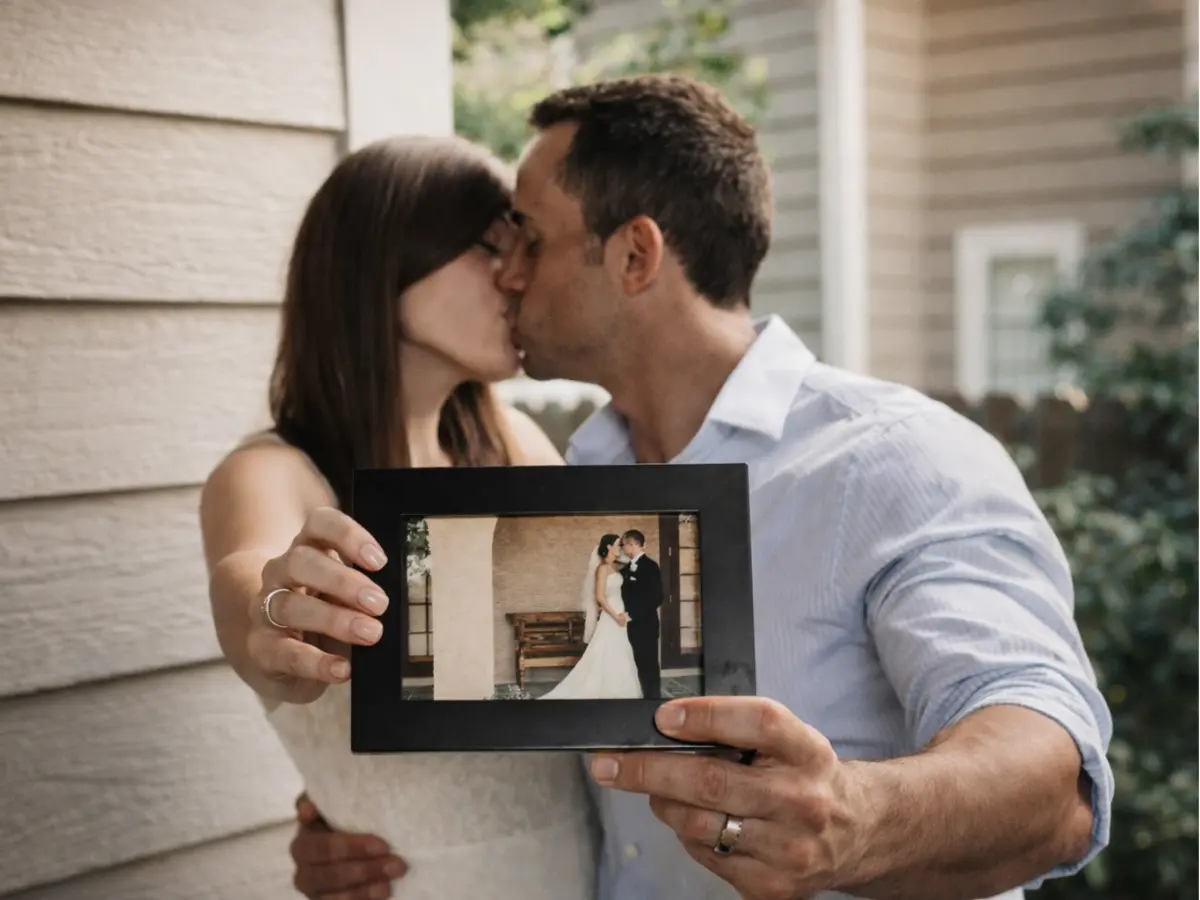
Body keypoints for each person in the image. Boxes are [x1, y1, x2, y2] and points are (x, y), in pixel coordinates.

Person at [289, 74, 1113, 900]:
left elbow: (1053, 782)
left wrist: (853, 820)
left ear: (635, 256)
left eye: (531, 239)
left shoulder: (895, 460)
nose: (507, 274)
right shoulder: (563, 486)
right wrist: (371, 829)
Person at [199, 134, 601, 900]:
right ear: (379, 262)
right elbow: (249, 596)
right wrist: (278, 616)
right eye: (491, 247)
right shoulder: (270, 474)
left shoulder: (515, 444)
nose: (518, 279)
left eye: (528, 249)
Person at [540, 533, 643, 700]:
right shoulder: (602, 568)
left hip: (620, 613)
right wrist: (616, 616)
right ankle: (604, 688)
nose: (621, 547)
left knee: (619, 651)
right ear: (609, 547)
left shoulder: (614, 567)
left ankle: (618, 688)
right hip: (611, 616)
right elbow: (600, 597)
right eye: (618, 544)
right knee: (605, 650)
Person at [616, 529, 664, 699]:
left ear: (633, 544)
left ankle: (652, 701)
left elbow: (656, 597)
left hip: (645, 625)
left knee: (648, 665)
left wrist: (632, 615)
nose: (622, 549)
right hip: (628, 626)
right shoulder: (626, 569)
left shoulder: (650, 566)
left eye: (623, 545)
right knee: (633, 665)